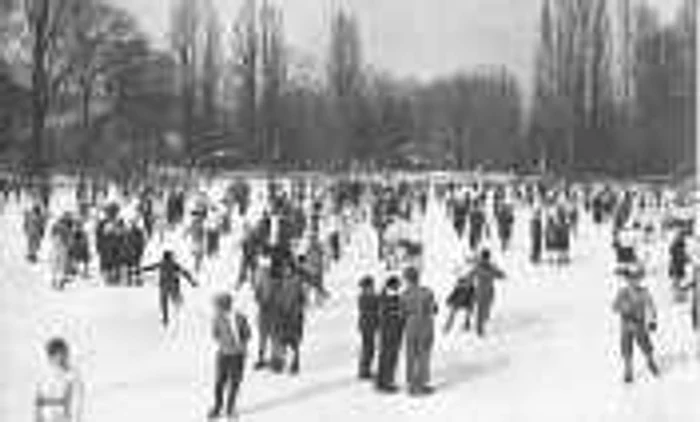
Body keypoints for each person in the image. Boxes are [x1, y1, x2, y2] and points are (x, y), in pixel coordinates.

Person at [612, 263, 660, 383]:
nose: (634, 282)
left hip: (639, 325)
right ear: (627, 280)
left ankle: (650, 361)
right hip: (626, 326)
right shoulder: (622, 292)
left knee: (645, 344)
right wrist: (623, 307)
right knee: (626, 347)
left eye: (637, 279)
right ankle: (628, 369)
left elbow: (651, 306)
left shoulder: (644, 292)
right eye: (631, 279)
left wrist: (652, 320)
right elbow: (614, 307)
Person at [208, 293, 251, 420]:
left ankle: (230, 408)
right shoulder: (217, 318)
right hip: (223, 355)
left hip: (236, 356)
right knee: (220, 383)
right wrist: (224, 343)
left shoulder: (239, 318)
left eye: (218, 306)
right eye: (216, 306)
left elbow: (247, 334)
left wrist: (240, 344)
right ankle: (218, 407)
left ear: (225, 305)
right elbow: (215, 334)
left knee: (234, 383)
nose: (216, 309)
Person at [400, 267, 437, 396]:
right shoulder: (427, 292)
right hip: (425, 325)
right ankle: (420, 384)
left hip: (411, 325)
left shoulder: (404, 295)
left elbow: (402, 312)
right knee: (423, 355)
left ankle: (411, 383)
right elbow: (434, 308)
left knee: (411, 354)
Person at [137, 250, 198, 327]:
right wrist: (192, 281)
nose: (173, 258)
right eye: (172, 256)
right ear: (169, 257)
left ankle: (166, 318)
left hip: (164, 285)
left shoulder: (161, 264)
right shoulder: (174, 264)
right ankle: (178, 309)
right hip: (172, 285)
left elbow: (150, 267)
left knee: (164, 302)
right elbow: (184, 272)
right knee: (173, 299)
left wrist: (141, 269)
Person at [34, 338, 84, 422]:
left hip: (62, 417)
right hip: (45, 416)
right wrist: (38, 417)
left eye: (53, 353)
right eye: (50, 354)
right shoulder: (44, 376)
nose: (51, 357)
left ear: (63, 354)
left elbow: (76, 402)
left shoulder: (72, 376)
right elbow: (39, 400)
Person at [466, 249, 506, 337]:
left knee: (486, 308)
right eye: (484, 258)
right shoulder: (485, 267)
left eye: (486, 258)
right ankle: (479, 328)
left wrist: (500, 273)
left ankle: (480, 322)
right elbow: (500, 275)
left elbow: (501, 275)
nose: (485, 259)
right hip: (482, 291)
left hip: (487, 291)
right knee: (481, 309)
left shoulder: (487, 267)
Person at [375, 276, 404, 393]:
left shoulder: (383, 297)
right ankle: (386, 381)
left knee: (383, 355)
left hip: (385, 331)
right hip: (391, 331)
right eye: (397, 286)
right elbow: (396, 314)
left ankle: (381, 380)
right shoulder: (392, 299)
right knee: (390, 357)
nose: (398, 288)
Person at [357, 276, 380, 380]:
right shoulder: (366, 297)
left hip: (368, 325)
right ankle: (364, 371)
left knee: (368, 347)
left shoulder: (366, 296)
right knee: (368, 348)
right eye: (371, 286)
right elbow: (373, 309)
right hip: (368, 325)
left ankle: (365, 369)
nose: (373, 288)